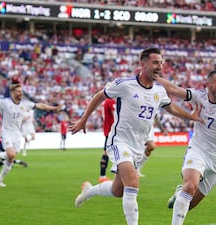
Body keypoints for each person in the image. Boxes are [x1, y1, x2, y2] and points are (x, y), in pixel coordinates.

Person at [70, 47, 203, 225]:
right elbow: (99, 96)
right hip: (119, 142)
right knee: (132, 184)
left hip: (138, 146)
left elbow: (171, 108)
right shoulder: (124, 85)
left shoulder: (159, 91)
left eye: (161, 63)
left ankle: (89, 191)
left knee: (118, 190)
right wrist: (83, 119)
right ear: (143, 64)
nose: (160, 67)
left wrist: (190, 116)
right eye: (155, 62)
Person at [154, 70, 216, 225]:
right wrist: (155, 77)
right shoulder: (199, 96)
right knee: (190, 186)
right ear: (208, 84)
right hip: (198, 150)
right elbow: (174, 90)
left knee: (186, 205)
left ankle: (179, 193)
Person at [0, 82, 62, 187]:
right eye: (18, 91)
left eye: (21, 91)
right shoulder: (5, 102)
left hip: (17, 134)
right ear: (13, 93)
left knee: (11, 157)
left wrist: (53, 108)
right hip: (6, 132)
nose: (21, 93)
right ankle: (0, 167)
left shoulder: (25, 104)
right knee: (11, 155)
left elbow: (40, 105)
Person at [98, 98, 115, 183]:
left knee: (106, 152)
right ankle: (103, 175)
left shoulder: (105, 102)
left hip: (108, 130)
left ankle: (102, 175)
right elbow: (115, 115)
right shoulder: (110, 101)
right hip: (113, 131)